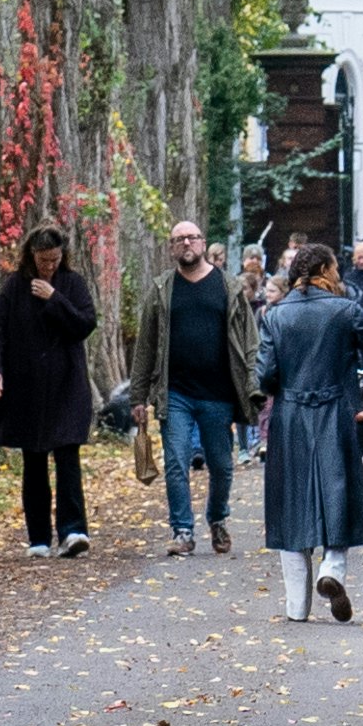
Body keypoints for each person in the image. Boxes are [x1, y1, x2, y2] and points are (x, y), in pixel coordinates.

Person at [258, 236, 363, 622]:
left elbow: (265, 375)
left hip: (291, 419)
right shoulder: (345, 310)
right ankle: (333, 568)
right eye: (334, 268)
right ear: (323, 272)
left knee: (292, 502)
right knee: (340, 490)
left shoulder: (274, 316)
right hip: (338, 412)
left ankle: (297, 606)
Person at [0, 224, 102, 555]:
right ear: (30, 256)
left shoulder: (72, 284)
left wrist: (55, 299)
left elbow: (85, 325)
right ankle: (38, 538)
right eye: (43, 259)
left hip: (66, 384)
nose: (48, 265)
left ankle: (73, 531)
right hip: (27, 388)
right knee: (34, 460)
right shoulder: (14, 287)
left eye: (54, 259)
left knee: (67, 455)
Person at [151, 221, 253, 550]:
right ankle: (182, 531)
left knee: (221, 465)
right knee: (176, 462)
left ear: (203, 242)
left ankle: (218, 518)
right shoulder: (162, 289)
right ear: (171, 247)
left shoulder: (228, 286)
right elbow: (146, 346)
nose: (186, 244)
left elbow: (250, 341)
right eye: (178, 239)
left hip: (219, 392)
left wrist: (255, 383)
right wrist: (139, 396)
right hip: (175, 392)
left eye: (191, 237)